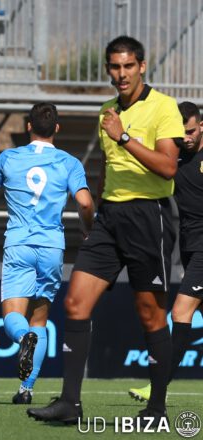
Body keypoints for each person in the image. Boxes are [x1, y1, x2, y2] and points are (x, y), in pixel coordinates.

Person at [27, 35, 184, 426]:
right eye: (115, 67)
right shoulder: (106, 111)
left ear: (142, 67)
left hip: (150, 217)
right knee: (75, 303)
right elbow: (105, 170)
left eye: (128, 66)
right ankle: (69, 403)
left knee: (150, 315)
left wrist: (125, 137)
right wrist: (93, 216)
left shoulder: (164, 107)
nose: (121, 74)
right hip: (110, 218)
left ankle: (157, 408)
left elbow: (168, 168)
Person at [0, 102, 95, 405]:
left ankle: (22, 340)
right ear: (57, 128)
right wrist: (87, 227)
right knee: (39, 320)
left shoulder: (8, 158)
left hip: (18, 244)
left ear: (28, 126)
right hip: (52, 247)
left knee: (13, 317)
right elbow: (84, 202)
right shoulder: (69, 163)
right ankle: (26, 389)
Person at [128, 101, 203, 402]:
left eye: (191, 131)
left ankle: (157, 387)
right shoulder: (173, 160)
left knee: (180, 312)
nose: (185, 138)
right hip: (189, 246)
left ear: (201, 127)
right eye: (180, 132)